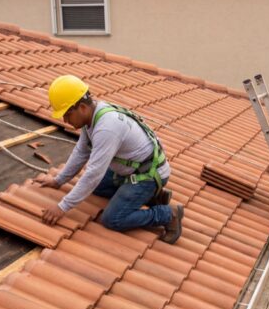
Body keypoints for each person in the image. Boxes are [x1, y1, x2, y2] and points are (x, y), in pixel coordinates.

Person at [34, 75, 183, 243]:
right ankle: (151, 198)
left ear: (81, 107)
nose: (65, 120)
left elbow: (93, 174)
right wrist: (59, 180)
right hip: (130, 169)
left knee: (112, 219)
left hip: (147, 174)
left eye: (67, 114)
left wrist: (62, 207)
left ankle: (168, 214)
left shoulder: (107, 127)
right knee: (94, 188)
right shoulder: (92, 117)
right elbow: (81, 152)